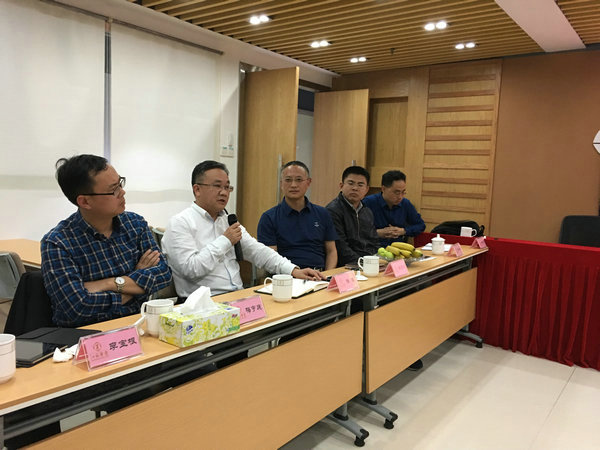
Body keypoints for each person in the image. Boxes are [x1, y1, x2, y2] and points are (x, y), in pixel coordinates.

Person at [41, 154, 172, 328]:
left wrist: (109, 283)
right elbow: (77, 307)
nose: (122, 192)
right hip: (85, 335)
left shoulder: (135, 224)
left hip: (136, 324)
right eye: (113, 190)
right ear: (85, 201)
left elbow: (163, 274)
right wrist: (136, 284)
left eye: (120, 183)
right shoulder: (58, 243)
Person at [161, 160, 323, 298]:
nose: (224, 192)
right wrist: (225, 240)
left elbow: (258, 251)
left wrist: (293, 270)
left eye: (227, 187)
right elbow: (191, 269)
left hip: (238, 295)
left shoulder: (227, 220)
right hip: (203, 303)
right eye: (217, 186)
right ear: (197, 189)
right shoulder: (180, 223)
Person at [257, 161, 338, 270]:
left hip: (319, 275)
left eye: (299, 180)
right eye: (288, 180)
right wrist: (294, 273)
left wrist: (328, 275)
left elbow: (331, 251)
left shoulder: (323, 214)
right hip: (287, 276)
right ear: (281, 184)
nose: (293, 185)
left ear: (308, 182)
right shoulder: (269, 217)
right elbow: (271, 258)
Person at [326, 166, 380, 266]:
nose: (355, 188)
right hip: (346, 265)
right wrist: (363, 263)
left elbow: (374, 242)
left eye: (360, 185)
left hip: (366, 263)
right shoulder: (332, 210)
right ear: (341, 185)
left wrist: (376, 260)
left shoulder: (367, 211)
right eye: (351, 183)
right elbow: (341, 248)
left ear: (366, 189)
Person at [362, 170, 425, 248]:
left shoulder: (405, 203)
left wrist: (403, 231)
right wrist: (377, 233)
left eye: (403, 192)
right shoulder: (368, 202)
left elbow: (420, 225)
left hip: (398, 248)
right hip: (372, 248)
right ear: (383, 189)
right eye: (397, 192)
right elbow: (357, 231)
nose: (400, 197)